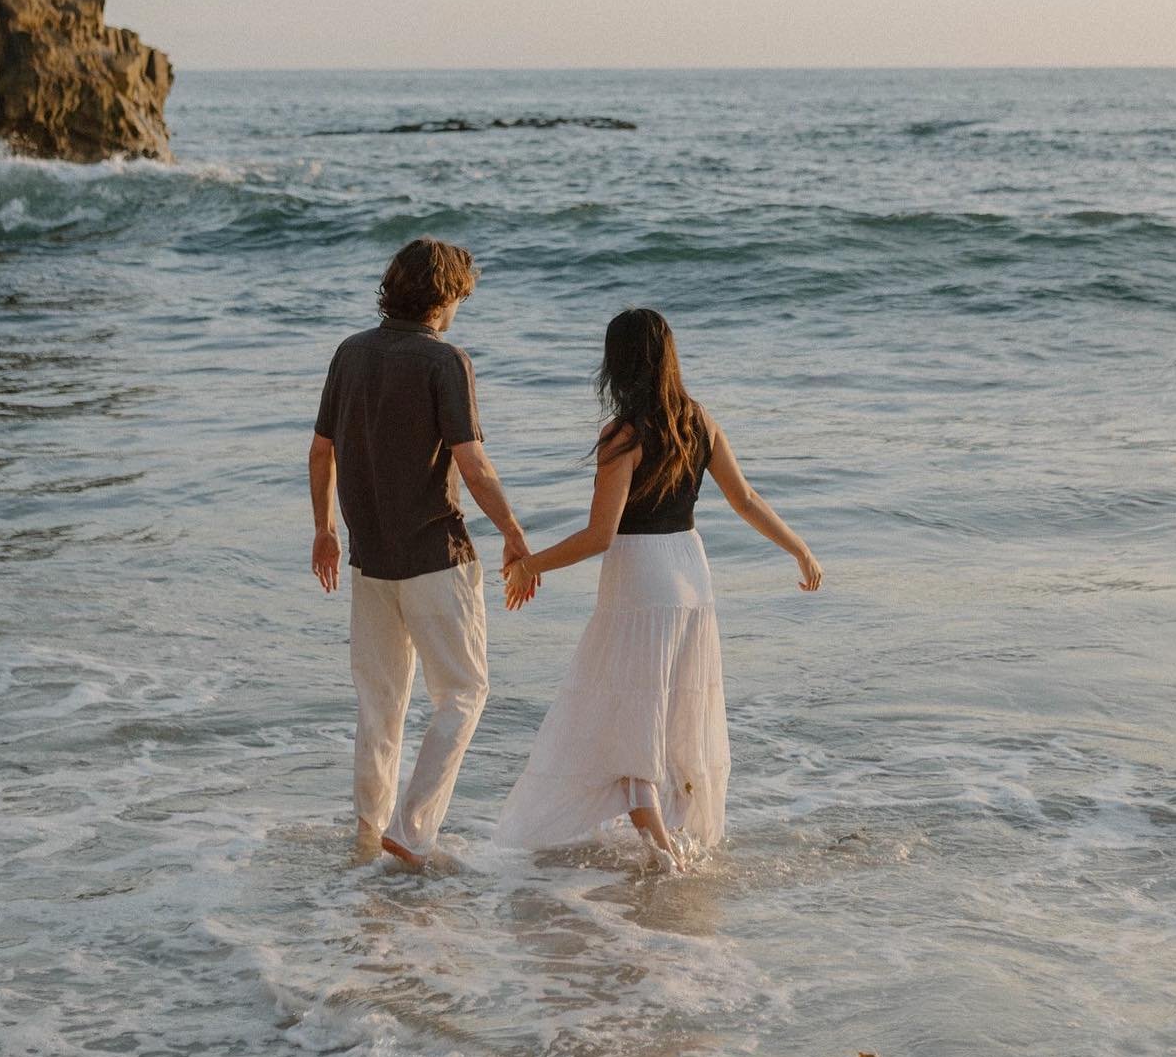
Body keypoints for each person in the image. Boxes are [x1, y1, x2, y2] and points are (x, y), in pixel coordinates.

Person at [496, 307, 822, 867]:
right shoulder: (700, 421)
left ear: (617, 363)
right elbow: (745, 500)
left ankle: (661, 848)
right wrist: (799, 547)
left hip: (639, 577)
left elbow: (602, 534)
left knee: (631, 709)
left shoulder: (623, 435)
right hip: (691, 573)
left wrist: (532, 565)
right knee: (665, 710)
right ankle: (664, 838)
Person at [309, 238, 529, 869]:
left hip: (368, 558)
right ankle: (410, 830)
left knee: (380, 703)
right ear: (444, 295)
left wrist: (324, 529)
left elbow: (322, 450)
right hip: (436, 554)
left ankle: (367, 830)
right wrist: (513, 531)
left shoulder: (350, 353)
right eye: (460, 294)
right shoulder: (445, 361)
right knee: (463, 692)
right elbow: (473, 462)